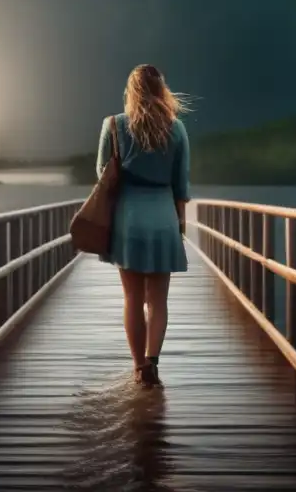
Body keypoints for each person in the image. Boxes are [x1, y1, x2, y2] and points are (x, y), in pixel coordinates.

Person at [96, 64, 190, 388]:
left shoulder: (113, 125)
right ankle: (153, 362)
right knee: (159, 300)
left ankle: (137, 367)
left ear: (131, 91)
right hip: (164, 217)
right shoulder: (176, 129)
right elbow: (182, 184)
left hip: (128, 220)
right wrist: (181, 223)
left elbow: (101, 173)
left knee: (133, 298)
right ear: (161, 90)